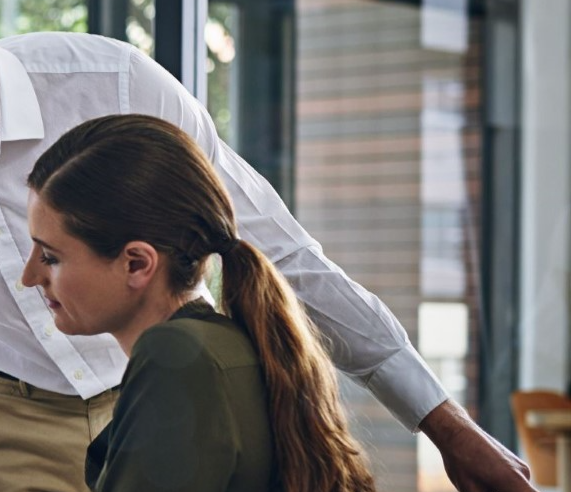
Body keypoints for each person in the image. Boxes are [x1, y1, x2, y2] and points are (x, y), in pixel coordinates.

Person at [0, 1, 531, 491]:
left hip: (168, 393)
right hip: (14, 419)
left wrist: (446, 428)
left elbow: (282, 256)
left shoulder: (113, 86)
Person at [21, 114, 375, 491]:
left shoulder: (176, 356)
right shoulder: (225, 345)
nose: (29, 277)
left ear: (136, 263)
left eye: (50, 257)